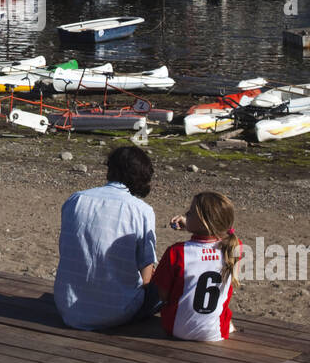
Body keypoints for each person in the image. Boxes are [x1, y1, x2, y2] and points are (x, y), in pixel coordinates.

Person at [53, 145, 159, 330]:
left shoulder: (75, 200)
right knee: (166, 285)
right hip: (118, 312)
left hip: (67, 307)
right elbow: (146, 271)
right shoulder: (142, 211)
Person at [154, 193, 242, 342]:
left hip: (176, 329)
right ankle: (225, 324)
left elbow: (163, 295)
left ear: (205, 222)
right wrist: (192, 226)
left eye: (191, 212)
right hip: (216, 333)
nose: (186, 213)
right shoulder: (234, 247)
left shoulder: (177, 252)